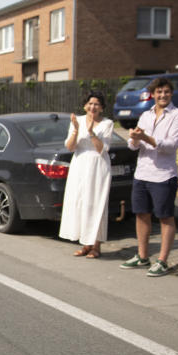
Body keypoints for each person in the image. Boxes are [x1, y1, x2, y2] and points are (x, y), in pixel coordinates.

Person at [121, 77, 178, 277]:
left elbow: (170, 146)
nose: (162, 95)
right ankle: (142, 256)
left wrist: (146, 138)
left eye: (166, 91)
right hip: (142, 173)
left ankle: (162, 261)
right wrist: (134, 139)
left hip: (163, 175)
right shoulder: (145, 115)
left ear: (171, 93)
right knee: (141, 214)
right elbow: (134, 146)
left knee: (165, 217)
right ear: (153, 94)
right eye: (159, 92)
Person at [59, 92, 114, 258]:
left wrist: (91, 132)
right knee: (80, 202)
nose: (93, 107)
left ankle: (96, 246)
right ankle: (85, 243)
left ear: (102, 107)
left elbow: (102, 149)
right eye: (90, 104)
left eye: (97, 104)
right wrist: (76, 130)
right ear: (85, 106)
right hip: (79, 165)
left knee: (96, 204)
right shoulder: (78, 121)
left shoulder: (107, 123)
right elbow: (70, 147)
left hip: (98, 165)